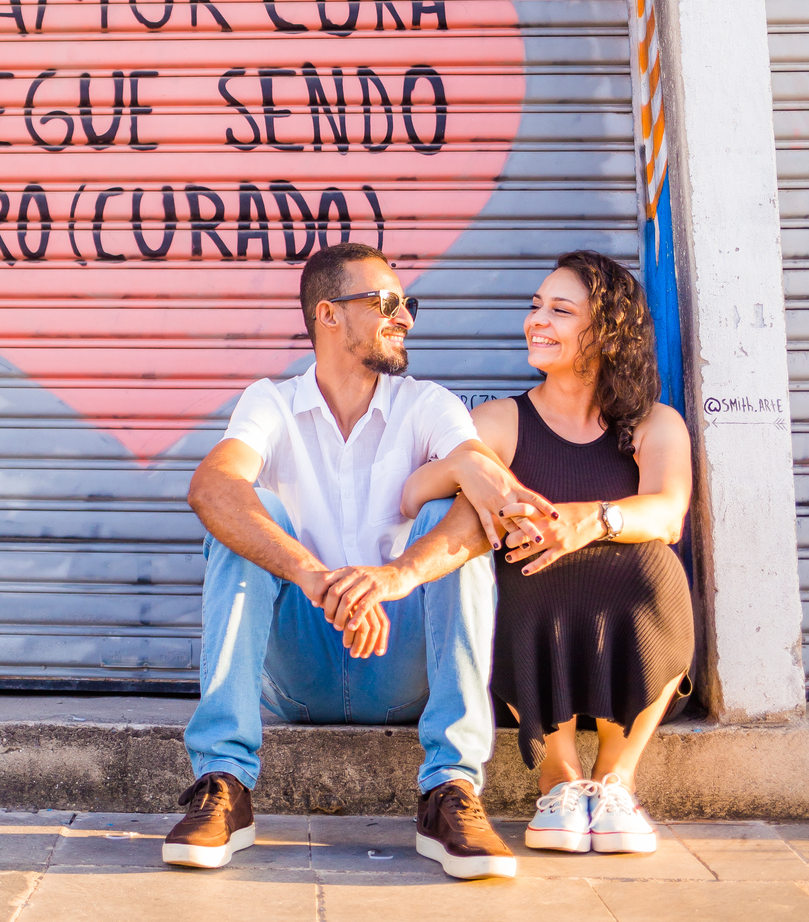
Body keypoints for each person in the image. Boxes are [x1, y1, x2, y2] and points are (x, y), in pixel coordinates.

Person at [163, 240, 555, 879]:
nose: (404, 318)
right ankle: (224, 785)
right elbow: (211, 487)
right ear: (329, 314)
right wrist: (316, 578)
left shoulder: (429, 404)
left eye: (407, 305)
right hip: (300, 667)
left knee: (453, 523)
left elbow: (483, 507)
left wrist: (396, 575)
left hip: (400, 662)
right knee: (249, 513)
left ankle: (451, 789)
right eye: (386, 303)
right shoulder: (271, 401)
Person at [401, 250, 694, 857]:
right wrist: (464, 466)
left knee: (655, 564)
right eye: (536, 306)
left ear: (607, 329)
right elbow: (411, 493)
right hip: (530, 639)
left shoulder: (653, 424)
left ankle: (616, 780)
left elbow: (668, 513)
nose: (538, 320)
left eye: (560, 310)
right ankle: (558, 777)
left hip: (626, 623)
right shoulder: (503, 419)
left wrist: (595, 519)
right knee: (516, 565)